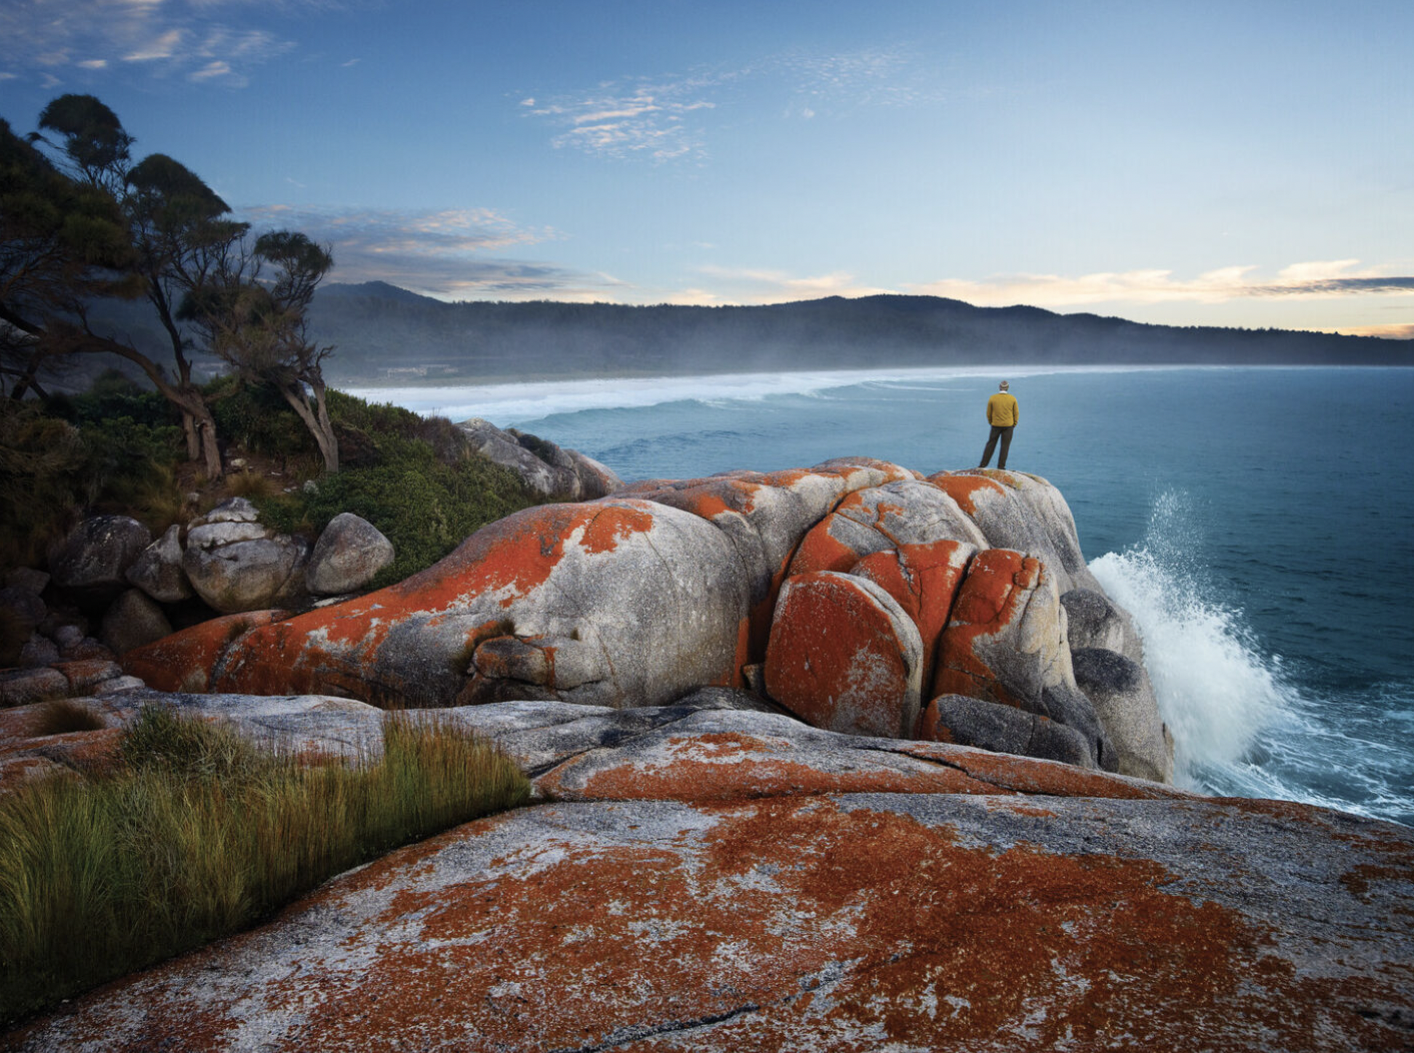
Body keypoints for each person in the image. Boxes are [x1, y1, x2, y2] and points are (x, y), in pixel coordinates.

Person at [978, 380, 1018, 469]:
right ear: (1007, 388)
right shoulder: (1012, 398)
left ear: (999, 387)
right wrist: (1014, 423)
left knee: (990, 445)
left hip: (995, 425)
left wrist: (991, 422)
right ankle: (1001, 466)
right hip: (1008, 425)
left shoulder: (993, 398)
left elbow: (988, 413)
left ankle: (983, 464)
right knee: (1005, 446)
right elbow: (1016, 413)